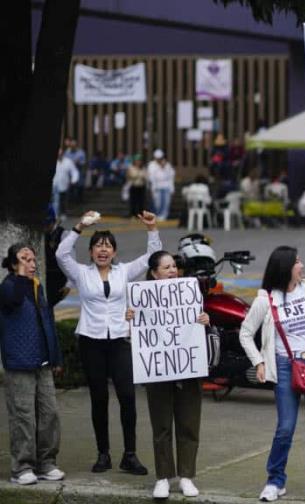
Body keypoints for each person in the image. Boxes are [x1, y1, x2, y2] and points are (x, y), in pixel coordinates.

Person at [55, 210, 160, 475]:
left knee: (127, 396)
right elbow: (61, 254)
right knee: (98, 398)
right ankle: (103, 453)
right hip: (91, 341)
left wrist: (152, 229)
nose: (103, 250)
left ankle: (130, 454)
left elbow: (151, 258)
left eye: (108, 246)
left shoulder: (123, 272)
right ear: (90, 252)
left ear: (114, 252)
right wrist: (79, 226)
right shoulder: (81, 273)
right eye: (98, 246)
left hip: (120, 341)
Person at [238, 246, 305, 503]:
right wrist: (259, 362)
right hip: (285, 367)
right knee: (285, 428)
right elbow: (246, 333)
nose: (302, 266)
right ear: (285, 267)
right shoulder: (266, 299)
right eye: (297, 262)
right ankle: (275, 481)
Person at [129, 251, 209, 499]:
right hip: (159, 371)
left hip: (188, 369)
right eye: (166, 267)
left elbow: (199, 329)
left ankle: (186, 476)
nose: (173, 270)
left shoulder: (190, 293)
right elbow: (137, 337)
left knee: (189, 423)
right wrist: (130, 320)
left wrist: (205, 320)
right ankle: (163, 477)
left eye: (174, 266)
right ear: (154, 273)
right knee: (161, 426)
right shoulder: (141, 300)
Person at [0, 244, 65, 485]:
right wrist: (19, 276)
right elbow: (13, 299)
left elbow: (47, 321)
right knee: (23, 417)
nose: (32, 263)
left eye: (33, 259)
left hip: (43, 361)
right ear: (13, 264)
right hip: (19, 363)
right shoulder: (9, 286)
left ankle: (46, 463)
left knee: (50, 414)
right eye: (24, 259)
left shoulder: (37, 286)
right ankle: (22, 467)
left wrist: (56, 356)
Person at [147, 149, 176, 220]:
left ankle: (164, 216)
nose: (159, 160)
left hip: (166, 186)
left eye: (160, 158)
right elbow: (151, 177)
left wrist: (172, 188)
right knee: (157, 203)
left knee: (166, 202)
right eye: (157, 158)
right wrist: (152, 188)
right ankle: (157, 215)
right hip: (157, 186)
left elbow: (171, 176)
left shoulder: (167, 164)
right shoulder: (151, 165)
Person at [52, 148, 79, 219]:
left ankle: (63, 213)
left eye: (60, 154)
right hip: (54, 184)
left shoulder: (68, 162)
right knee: (55, 200)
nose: (59, 155)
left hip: (64, 184)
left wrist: (74, 180)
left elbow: (74, 171)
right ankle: (55, 214)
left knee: (63, 200)